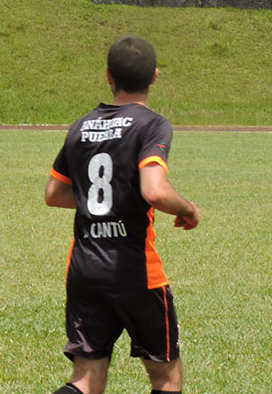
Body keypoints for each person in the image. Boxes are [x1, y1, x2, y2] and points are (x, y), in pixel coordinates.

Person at [43, 35, 200, 394]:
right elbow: (155, 189)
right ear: (155, 76)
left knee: (85, 378)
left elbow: (54, 194)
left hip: (84, 268)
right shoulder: (151, 124)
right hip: (135, 270)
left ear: (108, 76)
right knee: (166, 378)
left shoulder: (80, 127)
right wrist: (189, 210)